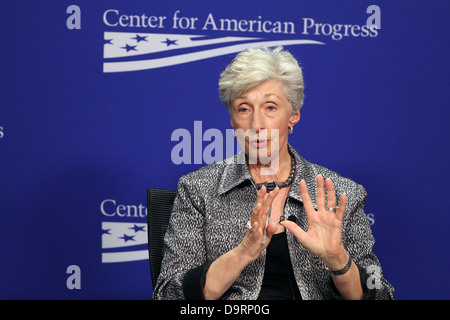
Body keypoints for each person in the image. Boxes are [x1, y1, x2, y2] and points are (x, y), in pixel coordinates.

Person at [153, 46, 394, 300]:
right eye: (244, 109)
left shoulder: (342, 193)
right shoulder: (198, 189)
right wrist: (243, 252)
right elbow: (170, 295)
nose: (256, 125)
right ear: (232, 121)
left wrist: (337, 259)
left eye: (270, 107)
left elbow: (381, 295)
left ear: (294, 115)